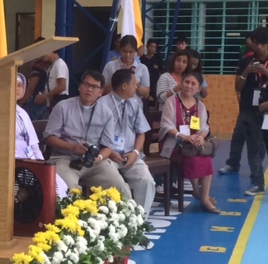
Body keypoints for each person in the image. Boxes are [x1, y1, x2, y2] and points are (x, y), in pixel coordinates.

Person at [44, 70, 132, 198]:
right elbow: (49, 137)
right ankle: (73, 217)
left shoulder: (106, 113)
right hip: (65, 159)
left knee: (119, 185)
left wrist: (100, 158)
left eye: (95, 87)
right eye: (86, 84)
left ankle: (131, 217)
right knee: (69, 187)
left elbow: (108, 147)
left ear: (101, 92)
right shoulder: (63, 107)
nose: (89, 89)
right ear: (80, 87)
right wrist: (72, 147)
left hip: (94, 162)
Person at [0, 73, 69, 197]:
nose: (17, 88)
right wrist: (21, 163)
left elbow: (33, 145)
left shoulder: (22, 112)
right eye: (13, 85)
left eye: (20, 85)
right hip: (6, 162)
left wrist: (40, 165)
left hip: (30, 160)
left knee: (56, 186)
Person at [217, 27, 268, 195]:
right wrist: (247, 71)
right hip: (249, 110)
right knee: (252, 147)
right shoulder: (246, 61)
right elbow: (238, 86)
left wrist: (265, 72)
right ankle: (258, 183)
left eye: (262, 43)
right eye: (256, 43)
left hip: (266, 110)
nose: (259, 47)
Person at [159, 72, 219, 213]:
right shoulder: (171, 101)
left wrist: (201, 136)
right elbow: (166, 125)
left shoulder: (200, 106)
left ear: (198, 89)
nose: (189, 86)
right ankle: (199, 195)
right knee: (194, 157)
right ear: (181, 83)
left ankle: (202, 196)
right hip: (174, 144)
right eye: (186, 82)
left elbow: (204, 127)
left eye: (193, 84)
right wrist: (183, 137)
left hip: (193, 145)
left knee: (205, 159)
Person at [98, 69, 155, 217]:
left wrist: (135, 153)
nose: (137, 87)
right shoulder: (101, 105)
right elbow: (95, 136)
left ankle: (140, 222)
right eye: (135, 84)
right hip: (108, 156)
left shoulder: (135, 104)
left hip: (130, 156)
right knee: (119, 185)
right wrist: (109, 152)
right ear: (124, 86)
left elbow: (141, 132)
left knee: (146, 181)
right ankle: (123, 221)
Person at [102, 35, 150, 105]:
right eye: (124, 51)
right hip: (113, 107)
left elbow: (146, 94)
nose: (127, 55)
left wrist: (135, 83)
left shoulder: (142, 68)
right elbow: (102, 90)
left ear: (135, 51)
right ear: (120, 50)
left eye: (131, 52)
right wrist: (118, 81)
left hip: (135, 109)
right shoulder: (110, 66)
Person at [17, 36, 51, 121]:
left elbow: (31, 89)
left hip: (35, 104)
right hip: (46, 103)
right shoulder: (49, 65)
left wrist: (20, 103)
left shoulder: (38, 66)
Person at [140, 38, 163, 107]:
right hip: (143, 85)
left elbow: (161, 72)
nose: (152, 48)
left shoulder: (158, 59)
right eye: (151, 46)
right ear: (147, 46)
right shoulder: (142, 59)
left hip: (154, 85)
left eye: (154, 47)